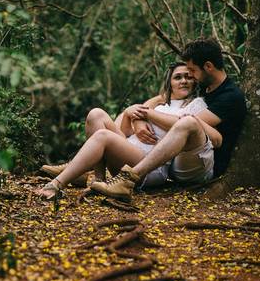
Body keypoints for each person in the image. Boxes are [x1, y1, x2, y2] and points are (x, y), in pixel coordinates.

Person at [90, 37, 246, 199]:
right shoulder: (204, 83)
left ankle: (129, 179)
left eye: (192, 71)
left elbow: (185, 124)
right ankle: (85, 171)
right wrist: (137, 116)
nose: (190, 77)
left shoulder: (230, 96)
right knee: (103, 116)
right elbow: (163, 97)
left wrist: (146, 114)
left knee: (187, 122)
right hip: (177, 158)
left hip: (203, 162)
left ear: (208, 66)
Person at [35, 61, 206, 200]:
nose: (184, 80)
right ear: (170, 82)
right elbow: (124, 132)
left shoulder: (196, 104)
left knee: (103, 136)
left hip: (149, 166)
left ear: (195, 81)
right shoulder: (160, 104)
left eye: (188, 77)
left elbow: (184, 125)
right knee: (96, 114)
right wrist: (129, 114)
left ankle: (56, 184)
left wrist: (146, 113)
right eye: (178, 77)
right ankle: (98, 181)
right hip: (129, 152)